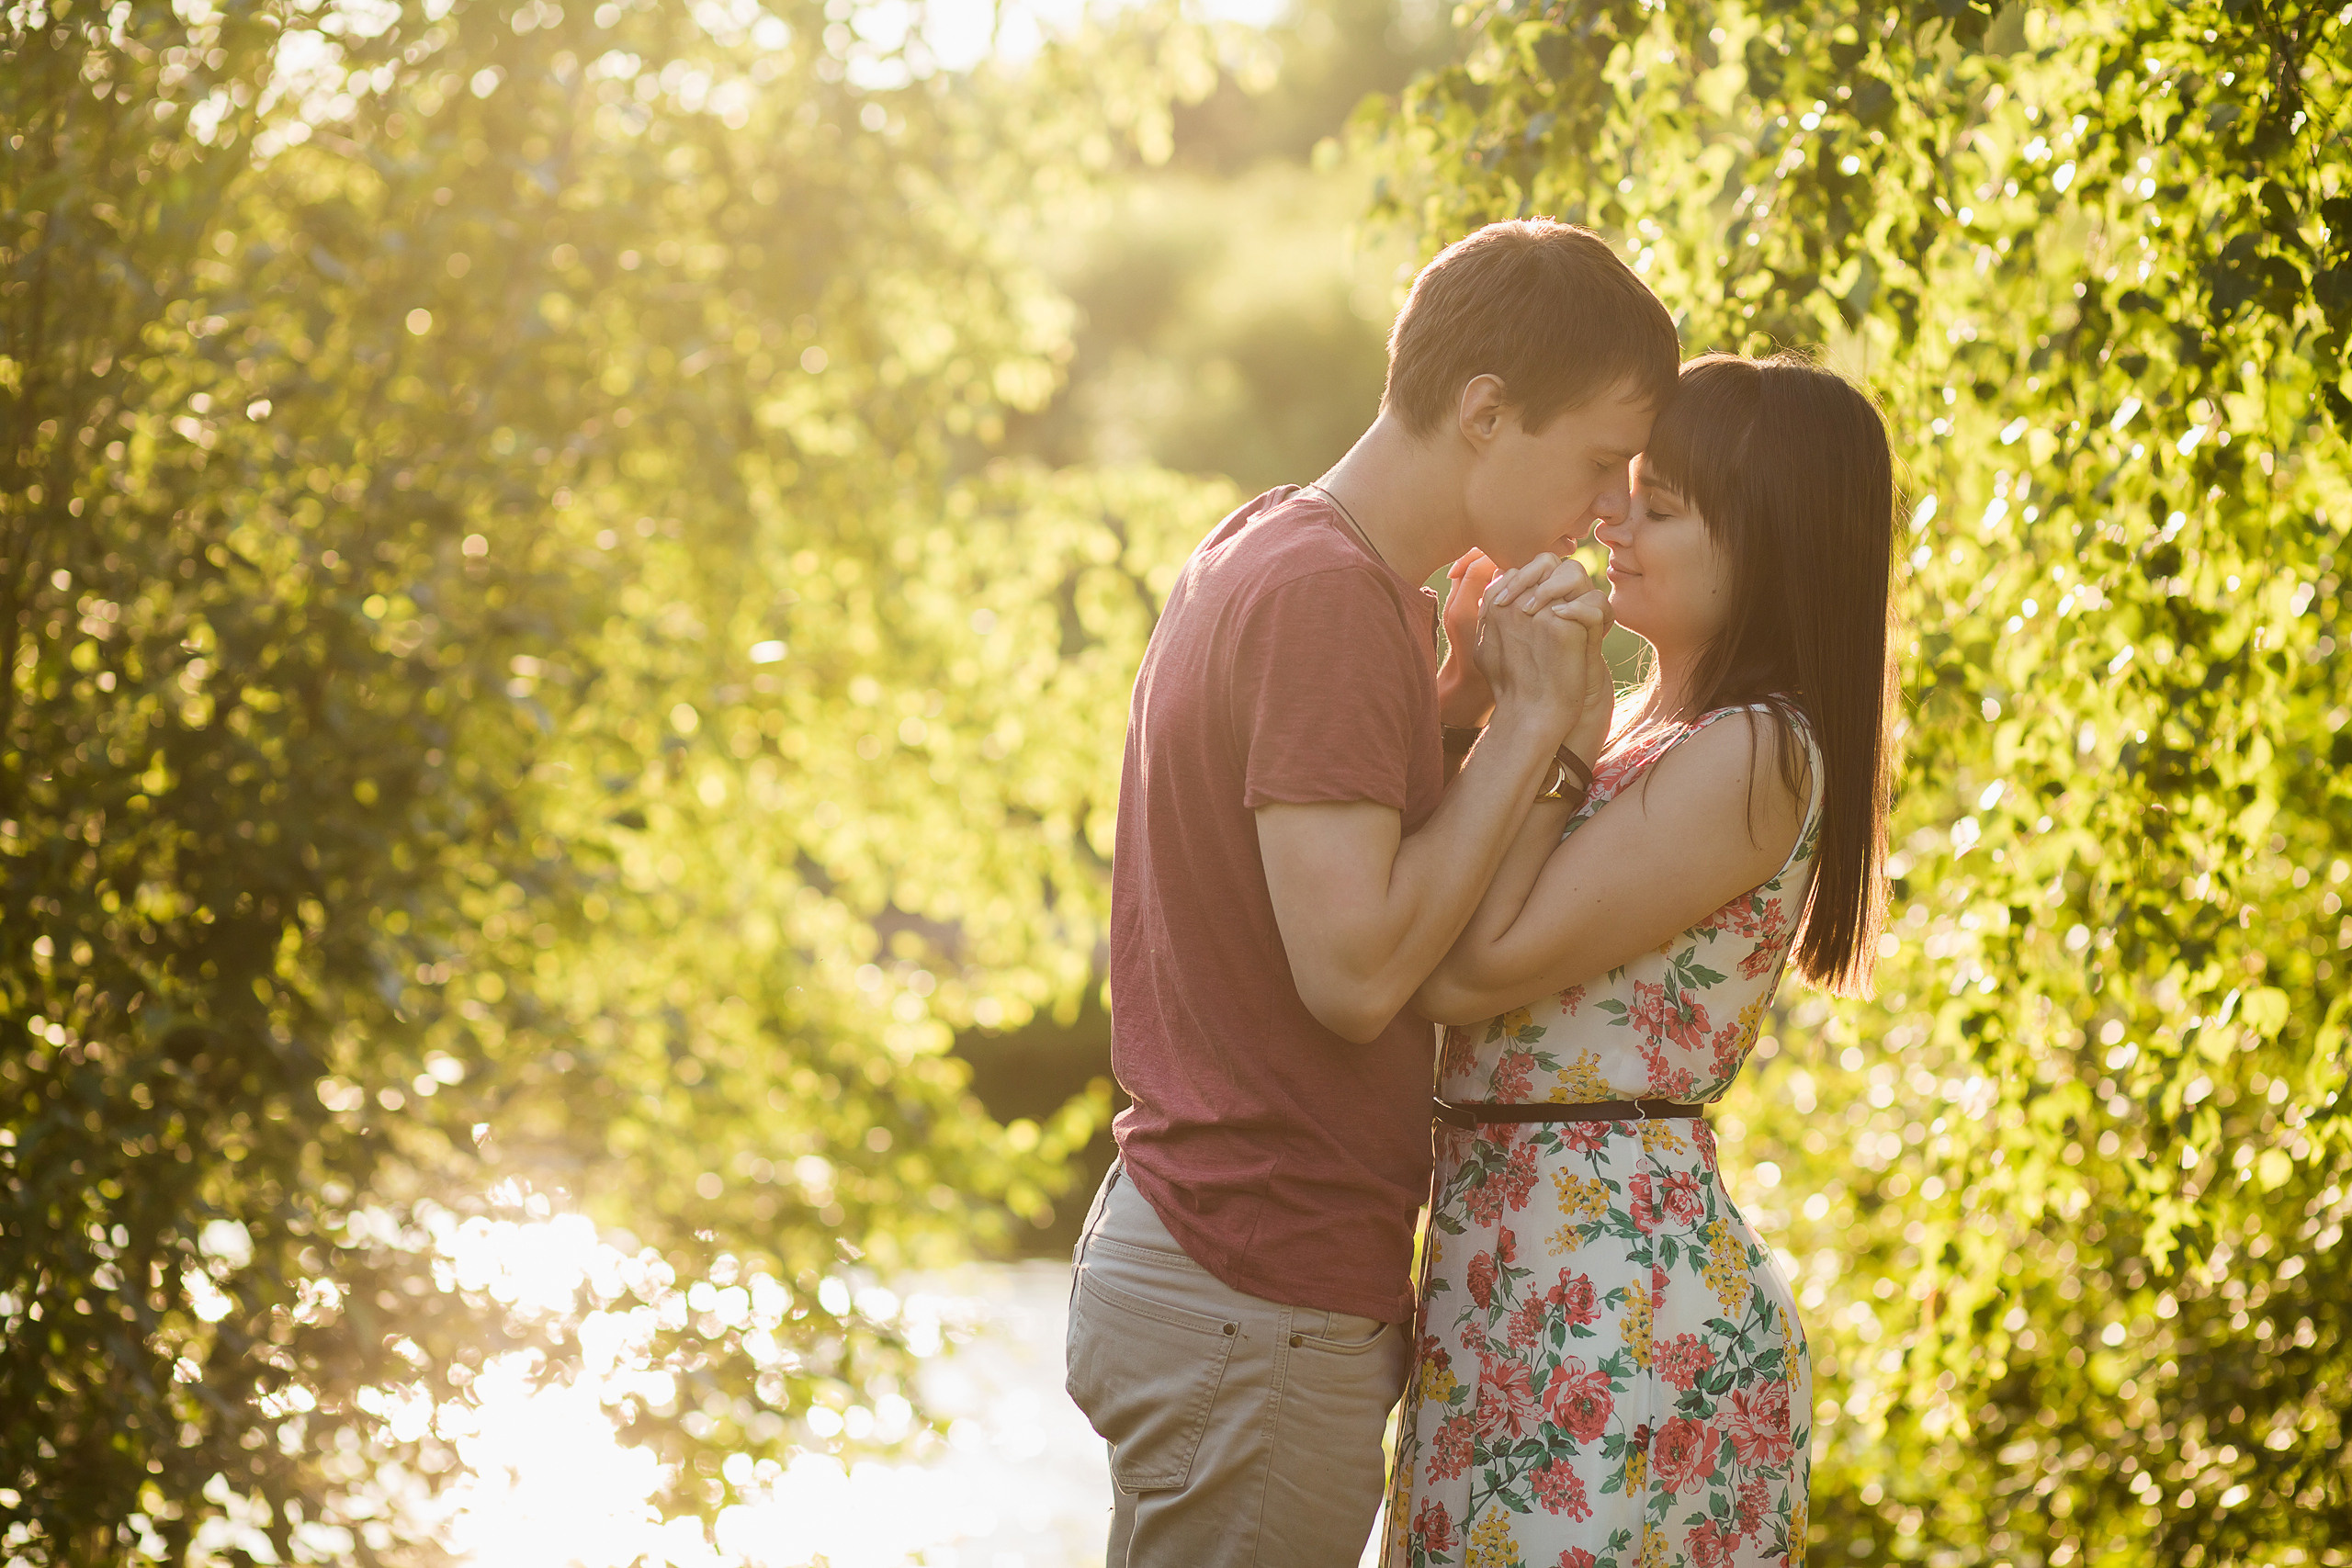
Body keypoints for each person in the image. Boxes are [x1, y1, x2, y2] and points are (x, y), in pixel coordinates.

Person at [1065, 219, 1681, 1567]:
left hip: (1214, 1268)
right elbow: (1352, 977)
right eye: (1594, 462)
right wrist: (1529, 729)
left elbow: (1326, 870)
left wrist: (1454, 706)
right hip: (1255, 1282)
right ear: (1484, 411)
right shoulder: (1330, 602)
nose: (1602, 512)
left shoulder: (1277, 550)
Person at [1379, 351, 1899, 1568]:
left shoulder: (1757, 754)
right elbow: (1431, 906)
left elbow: (1464, 970)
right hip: (1518, 1274)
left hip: (1617, 1307)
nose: (1612, 517)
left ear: (1770, 549)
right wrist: (1479, 695)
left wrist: (1545, 729)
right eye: (1624, 488)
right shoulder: (1649, 737)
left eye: (1659, 508)